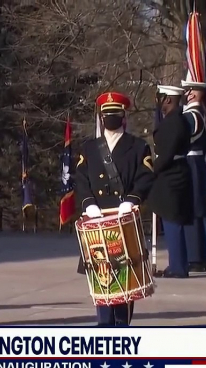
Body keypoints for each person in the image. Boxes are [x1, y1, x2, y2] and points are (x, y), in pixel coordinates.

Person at [74, 91, 155, 326]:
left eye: (115, 114)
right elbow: (80, 178)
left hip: (123, 217)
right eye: (106, 115)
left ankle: (121, 327)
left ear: (124, 116)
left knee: (123, 274)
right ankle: (103, 326)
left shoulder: (138, 147)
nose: (110, 119)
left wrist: (132, 199)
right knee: (101, 273)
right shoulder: (89, 148)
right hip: (96, 218)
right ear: (101, 118)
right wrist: (88, 203)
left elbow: (146, 176)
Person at [149, 85, 194, 278]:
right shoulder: (176, 120)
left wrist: (151, 170)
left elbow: (166, 154)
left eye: (160, 98)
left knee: (172, 220)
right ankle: (178, 263)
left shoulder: (173, 122)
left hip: (171, 174)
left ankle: (178, 266)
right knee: (172, 220)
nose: (158, 102)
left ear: (168, 100)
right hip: (175, 172)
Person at [180, 80, 206, 272]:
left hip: (191, 162)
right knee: (195, 208)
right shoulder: (201, 113)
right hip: (197, 162)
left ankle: (195, 256)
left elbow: (183, 137)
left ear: (193, 93)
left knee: (192, 208)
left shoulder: (193, 115)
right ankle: (198, 255)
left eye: (187, 90)